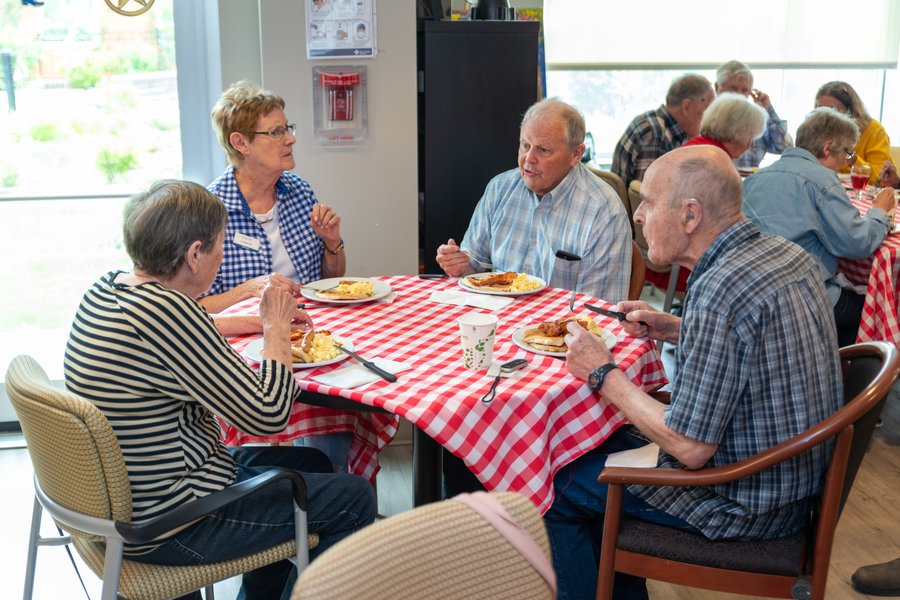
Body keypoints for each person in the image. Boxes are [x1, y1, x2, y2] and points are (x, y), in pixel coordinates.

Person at [544, 145, 844, 600]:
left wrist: (603, 372)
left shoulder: (720, 288)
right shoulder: (785, 256)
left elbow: (690, 446)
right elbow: (753, 343)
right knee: (597, 445)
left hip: (740, 502)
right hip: (791, 483)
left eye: (647, 202)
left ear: (690, 215)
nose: (639, 216)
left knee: (553, 480)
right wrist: (679, 329)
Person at [63, 180, 376, 600]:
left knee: (313, 462)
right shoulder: (171, 313)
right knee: (353, 498)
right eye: (219, 246)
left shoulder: (110, 289)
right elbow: (268, 415)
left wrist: (247, 323)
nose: (222, 255)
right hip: (174, 522)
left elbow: (178, 335)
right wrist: (275, 328)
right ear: (194, 254)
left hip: (126, 497)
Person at [204, 81, 351, 468]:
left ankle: (330, 495)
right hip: (247, 353)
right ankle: (308, 500)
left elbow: (328, 281)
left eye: (288, 128)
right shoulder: (210, 211)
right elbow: (192, 307)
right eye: (276, 132)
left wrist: (332, 243)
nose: (289, 140)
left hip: (310, 338)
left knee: (336, 421)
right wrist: (249, 289)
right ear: (241, 143)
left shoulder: (300, 192)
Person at [436, 97, 632, 304]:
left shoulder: (604, 212)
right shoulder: (500, 189)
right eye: (525, 145)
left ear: (576, 154)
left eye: (543, 150)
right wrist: (458, 264)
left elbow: (600, 308)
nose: (528, 158)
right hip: (497, 315)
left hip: (562, 328)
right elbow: (474, 269)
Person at [743, 107, 895, 347]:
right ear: (827, 148)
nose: (846, 161)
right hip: (797, 297)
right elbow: (857, 243)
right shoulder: (822, 180)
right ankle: (846, 380)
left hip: (750, 292)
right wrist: (879, 213)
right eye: (847, 152)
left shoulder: (755, 179)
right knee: (867, 310)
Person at [610, 73, 713, 188]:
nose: (710, 118)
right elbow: (649, 194)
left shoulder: (655, 122)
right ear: (687, 106)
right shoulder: (656, 134)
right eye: (709, 110)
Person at [715, 60, 791, 168]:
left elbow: (782, 147)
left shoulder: (755, 120)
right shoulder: (703, 118)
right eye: (733, 89)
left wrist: (767, 109)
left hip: (750, 183)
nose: (739, 95)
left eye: (745, 90)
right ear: (717, 88)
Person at [815, 81, 895, 183]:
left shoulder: (874, 130)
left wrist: (853, 160)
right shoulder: (817, 131)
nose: (825, 117)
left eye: (832, 110)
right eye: (820, 110)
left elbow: (880, 179)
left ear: (850, 110)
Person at [683, 93, 769, 159]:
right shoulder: (714, 158)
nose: (751, 145)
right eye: (750, 137)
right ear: (736, 133)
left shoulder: (696, 145)